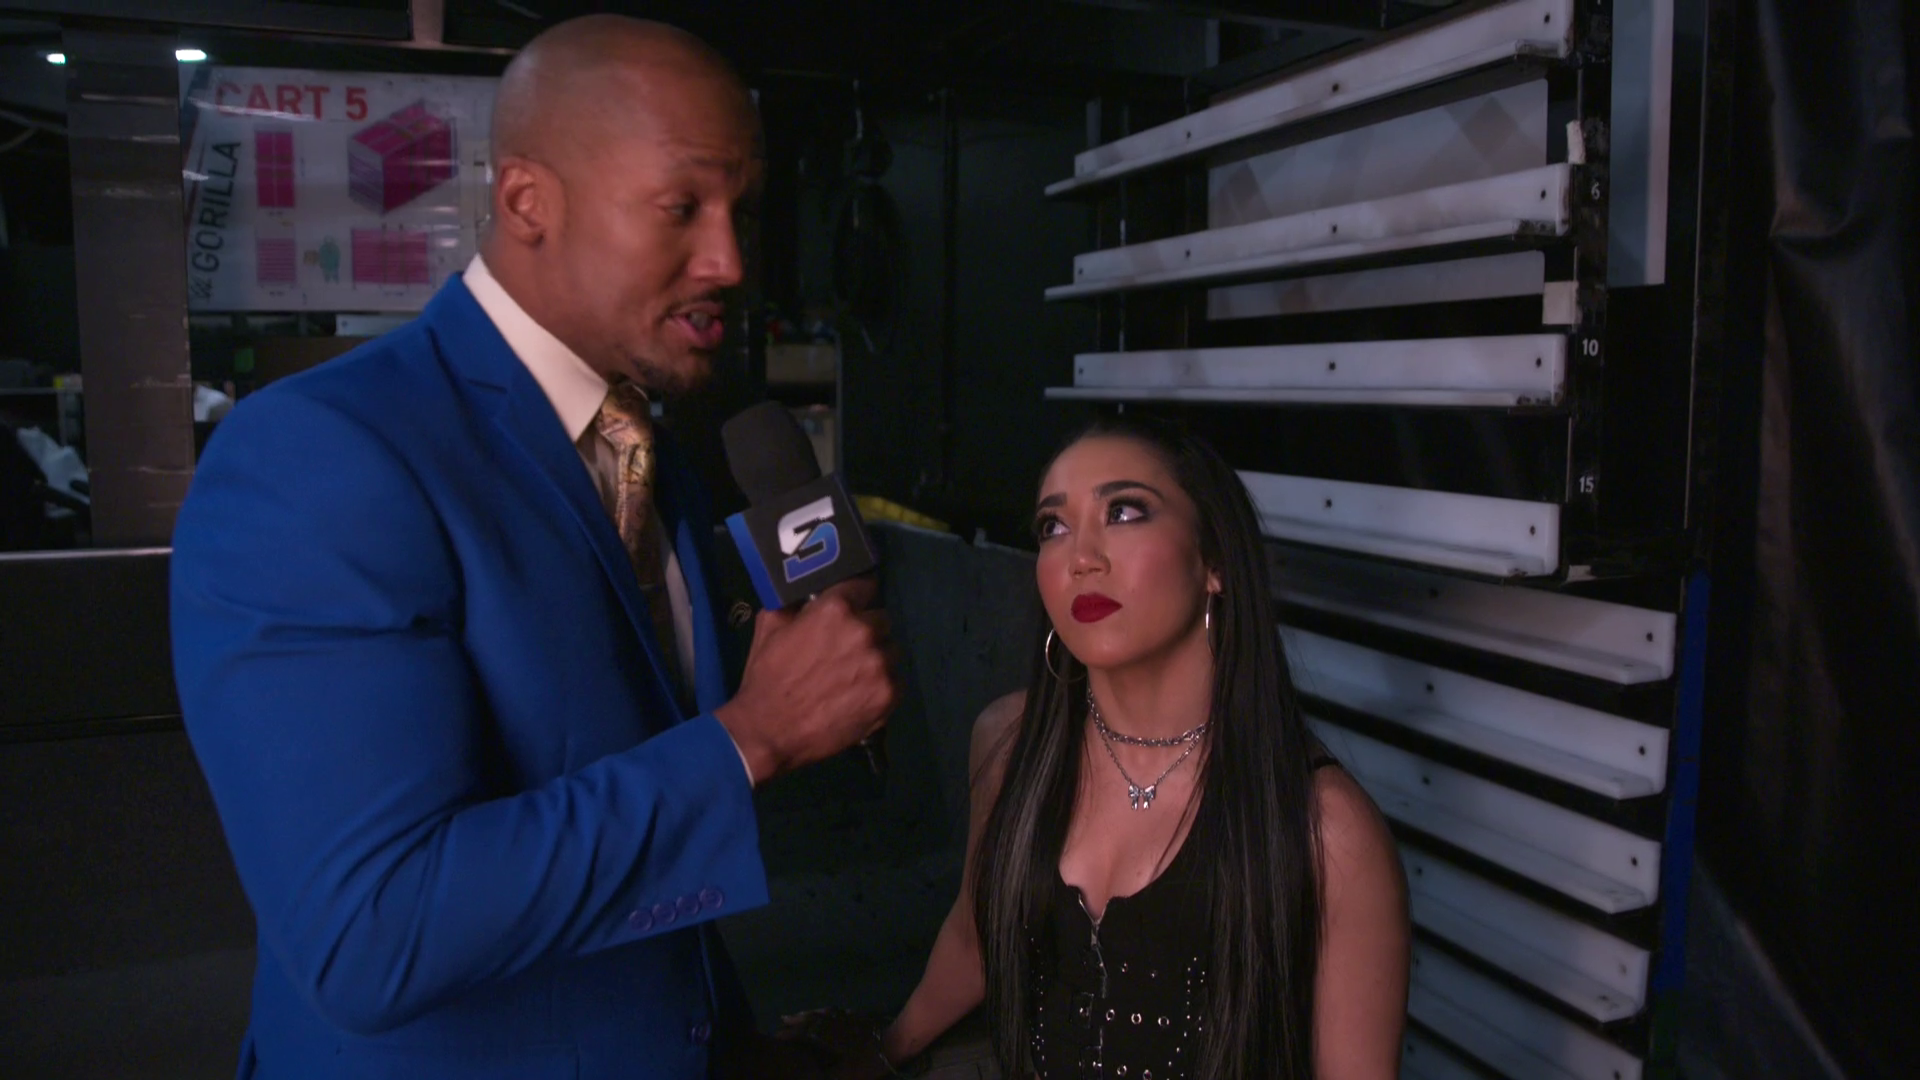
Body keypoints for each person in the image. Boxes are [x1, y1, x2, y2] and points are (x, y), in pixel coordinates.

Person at [169, 16, 896, 1080]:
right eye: (682, 207)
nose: (731, 260)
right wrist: (753, 739)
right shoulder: (320, 455)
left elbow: (634, 816)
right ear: (526, 202)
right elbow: (373, 934)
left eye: (742, 210)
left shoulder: (650, 447)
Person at [791, 415, 1408, 1079]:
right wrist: (887, 1050)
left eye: (1123, 512)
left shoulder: (1325, 828)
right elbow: (975, 938)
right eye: (1053, 526)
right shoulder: (1009, 744)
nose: (1080, 557)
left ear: (1215, 562)